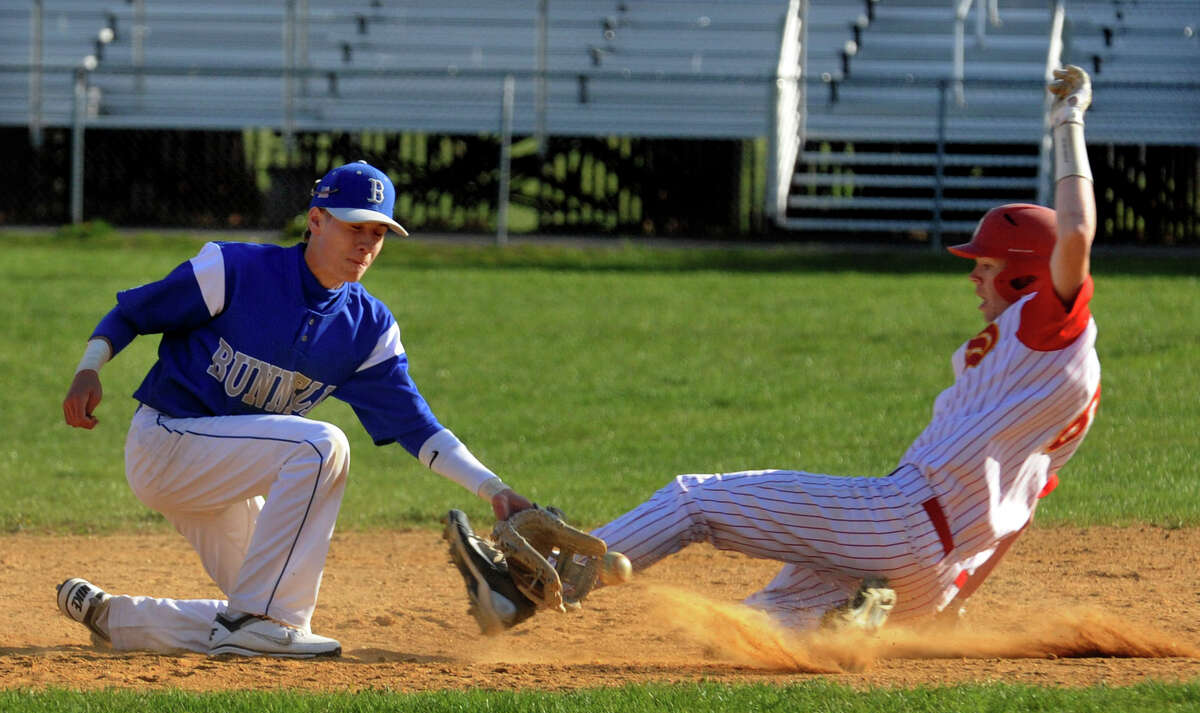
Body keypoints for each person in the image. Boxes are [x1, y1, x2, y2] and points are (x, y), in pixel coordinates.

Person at [446, 65, 1101, 636]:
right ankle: (850, 628)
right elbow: (1019, 512)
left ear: (1025, 274)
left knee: (691, 501)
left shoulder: (1050, 323)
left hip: (898, 518)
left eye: (985, 265)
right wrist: (953, 599)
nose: (973, 277)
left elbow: (1074, 231)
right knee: (747, 628)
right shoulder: (1073, 395)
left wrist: (1067, 123)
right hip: (932, 574)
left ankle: (523, 590)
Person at [57, 160, 534, 658]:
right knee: (321, 445)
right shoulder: (236, 270)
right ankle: (252, 624)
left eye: (378, 232)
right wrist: (89, 368)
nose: (366, 243)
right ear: (315, 221)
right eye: (353, 227)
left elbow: (416, 425)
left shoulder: (365, 328)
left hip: (227, 476)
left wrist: (494, 489)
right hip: (166, 444)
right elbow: (135, 309)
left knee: (276, 612)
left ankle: (116, 618)